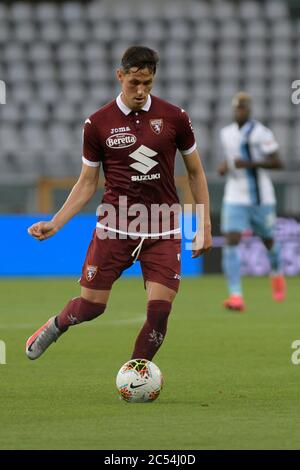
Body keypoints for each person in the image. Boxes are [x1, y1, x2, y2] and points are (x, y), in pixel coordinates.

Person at [26, 46, 212, 360]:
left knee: (159, 311)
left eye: (147, 83)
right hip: (115, 226)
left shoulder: (175, 117)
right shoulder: (97, 123)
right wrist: (55, 222)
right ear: (120, 76)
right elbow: (87, 182)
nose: (141, 91)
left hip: (163, 226)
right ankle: (57, 324)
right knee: (91, 307)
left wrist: (204, 224)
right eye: (133, 83)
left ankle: (136, 372)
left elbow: (195, 171)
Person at [218, 91, 286, 312]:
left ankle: (276, 272)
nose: (240, 111)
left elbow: (278, 162)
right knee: (231, 239)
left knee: (268, 240)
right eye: (237, 107)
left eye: (244, 107)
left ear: (249, 110)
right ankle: (236, 295)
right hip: (235, 195)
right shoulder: (225, 133)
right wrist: (225, 167)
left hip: (261, 197)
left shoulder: (261, 133)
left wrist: (249, 164)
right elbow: (231, 160)